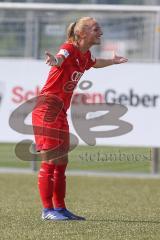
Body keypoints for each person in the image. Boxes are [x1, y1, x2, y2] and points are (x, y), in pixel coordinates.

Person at [32, 16, 128, 221]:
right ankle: (47, 210)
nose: (100, 32)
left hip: (60, 113)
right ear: (82, 33)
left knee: (62, 163)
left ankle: (60, 208)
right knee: (50, 162)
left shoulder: (85, 56)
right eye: (96, 29)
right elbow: (60, 57)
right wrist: (55, 61)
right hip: (46, 110)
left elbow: (95, 62)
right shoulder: (69, 48)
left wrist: (112, 61)